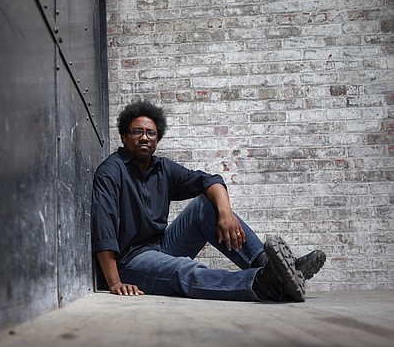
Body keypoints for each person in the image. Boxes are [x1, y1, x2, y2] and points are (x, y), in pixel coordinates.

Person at [91, 100, 326, 302]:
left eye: (150, 133)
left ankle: (272, 266)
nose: (144, 137)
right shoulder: (111, 172)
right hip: (130, 261)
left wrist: (226, 214)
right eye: (136, 131)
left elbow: (210, 180)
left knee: (205, 205)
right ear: (124, 136)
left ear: (157, 138)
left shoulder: (162, 168)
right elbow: (104, 232)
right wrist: (114, 282)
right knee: (183, 269)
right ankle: (263, 283)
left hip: (160, 248)